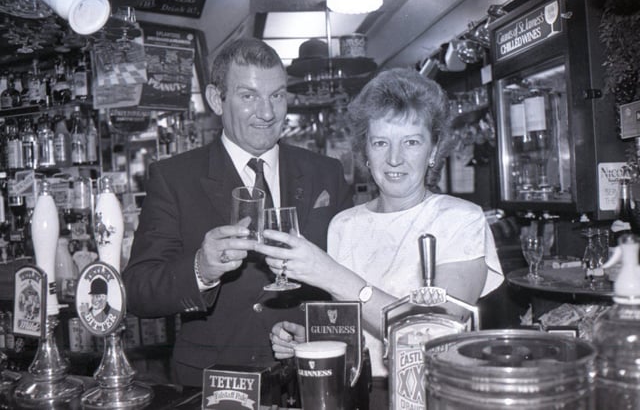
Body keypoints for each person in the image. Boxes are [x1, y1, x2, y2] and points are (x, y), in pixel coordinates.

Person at [256, 68, 504, 407]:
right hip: (358, 395)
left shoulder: (460, 220)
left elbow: (436, 334)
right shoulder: (345, 225)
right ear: (365, 154)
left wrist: (332, 275)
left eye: (412, 142)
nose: (395, 158)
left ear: (433, 151)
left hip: (431, 395)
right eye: (381, 142)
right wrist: (314, 342)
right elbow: (351, 332)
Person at [122, 37, 353, 387]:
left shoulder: (326, 172)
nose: (267, 112)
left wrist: (315, 332)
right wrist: (200, 268)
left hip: (311, 376)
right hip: (214, 382)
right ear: (217, 99)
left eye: (277, 95)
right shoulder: (175, 178)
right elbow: (137, 290)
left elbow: (351, 275)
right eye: (249, 96)